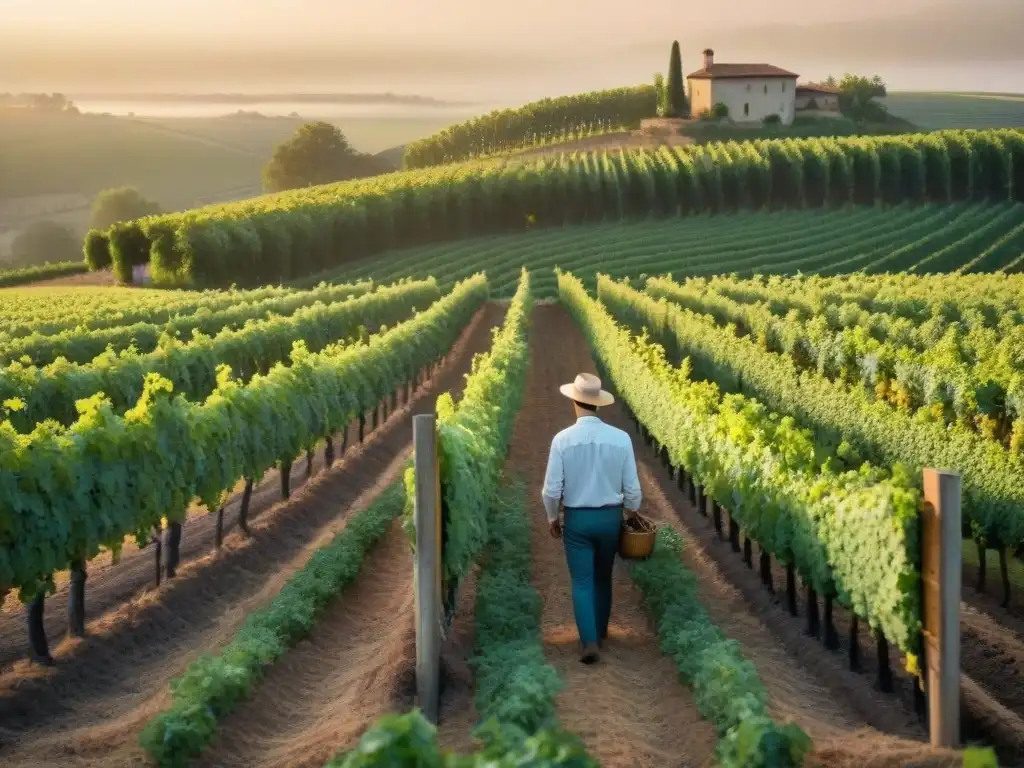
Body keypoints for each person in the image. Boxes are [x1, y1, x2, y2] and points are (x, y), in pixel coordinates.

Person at [541, 372, 642, 664]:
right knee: (603, 576)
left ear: (575, 401)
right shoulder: (620, 439)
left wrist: (552, 518)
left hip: (578, 521)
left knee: (582, 581)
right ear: (598, 403)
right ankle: (601, 630)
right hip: (610, 519)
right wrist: (631, 511)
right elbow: (633, 489)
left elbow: (552, 490)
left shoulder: (562, 440)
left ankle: (589, 641)